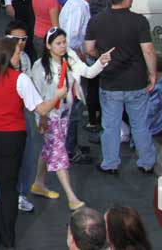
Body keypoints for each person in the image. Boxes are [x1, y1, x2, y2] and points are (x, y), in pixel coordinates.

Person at [0, 37, 68, 249]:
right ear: (8, 56)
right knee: (8, 188)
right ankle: (7, 240)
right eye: (17, 53)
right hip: (11, 137)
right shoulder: (20, 79)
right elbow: (41, 109)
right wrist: (57, 95)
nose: (20, 56)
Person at [28, 28, 112, 210]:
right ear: (49, 45)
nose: (62, 46)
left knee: (50, 148)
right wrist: (42, 117)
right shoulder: (39, 67)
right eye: (58, 43)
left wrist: (101, 62)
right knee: (59, 152)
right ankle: (71, 197)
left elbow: (88, 73)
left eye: (64, 42)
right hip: (49, 116)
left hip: (65, 112)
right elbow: (37, 96)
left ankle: (39, 183)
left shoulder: (71, 57)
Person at [83, 0, 157, 175]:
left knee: (110, 126)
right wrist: (152, 74)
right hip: (136, 82)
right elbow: (148, 50)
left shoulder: (97, 21)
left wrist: (100, 57)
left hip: (110, 82)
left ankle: (110, 163)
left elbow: (88, 48)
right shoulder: (139, 21)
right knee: (140, 124)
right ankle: (147, 162)